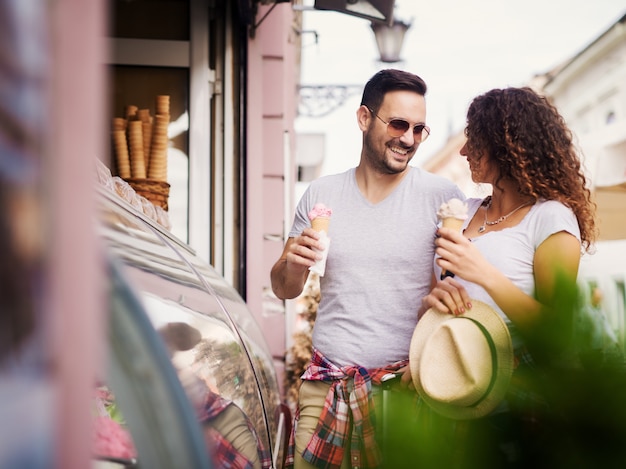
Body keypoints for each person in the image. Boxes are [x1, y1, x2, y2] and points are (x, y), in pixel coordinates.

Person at [271, 68, 464, 468]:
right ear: (363, 118)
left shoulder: (442, 198)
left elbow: (455, 291)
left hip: (405, 394)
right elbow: (285, 287)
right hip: (327, 390)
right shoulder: (322, 194)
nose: (408, 139)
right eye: (397, 124)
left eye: (419, 128)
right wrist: (293, 261)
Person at [420, 86, 597, 467]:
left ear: (507, 146)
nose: (464, 151)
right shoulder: (461, 213)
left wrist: (483, 273)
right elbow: (439, 294)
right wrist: (433, 303)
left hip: (515, 404)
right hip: (451, 384)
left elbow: (559, 334)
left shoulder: (551, 218)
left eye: (475, 141)